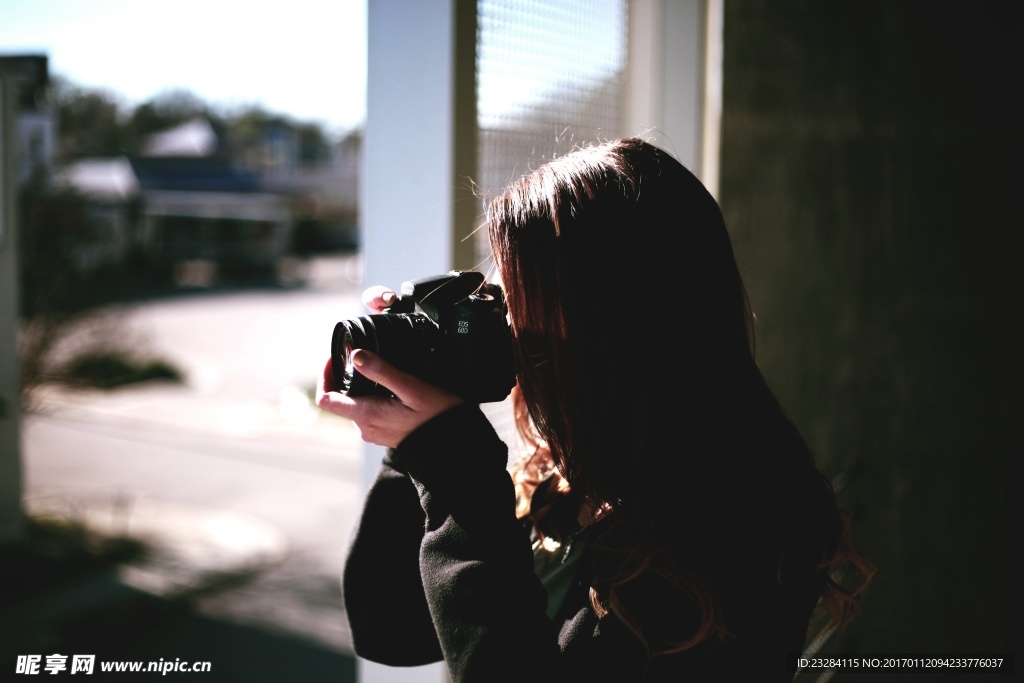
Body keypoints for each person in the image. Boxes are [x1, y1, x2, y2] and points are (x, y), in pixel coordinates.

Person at [317, 137, 873, 681]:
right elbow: (389, 631)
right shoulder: (572, 475)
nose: (503, 328)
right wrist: (411, 437)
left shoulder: (748, 518)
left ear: (607, 322)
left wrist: (452, 464)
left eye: (517, 302)